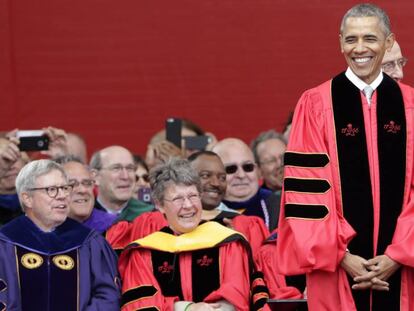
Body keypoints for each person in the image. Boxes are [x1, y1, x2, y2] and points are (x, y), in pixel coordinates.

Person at [276, 4, 414, 310]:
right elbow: (306, 192)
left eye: (370, 38)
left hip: (403, 271)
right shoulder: (314, 104)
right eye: (351, 39)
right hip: (337, 270)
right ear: (340, 42)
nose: (360, 48)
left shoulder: (410, 105)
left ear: (389, 42)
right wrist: (341, 255)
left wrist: (398, 254)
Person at [118, 158, 254, 310]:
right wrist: (186, 308)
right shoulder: (144, 253)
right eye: (178, 198)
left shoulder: (227, 243)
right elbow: (140, 304)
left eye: (193, 196)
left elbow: (237, 296)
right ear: (159, 205)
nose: (188, 206)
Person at [0, 159, 120, 310]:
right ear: (27, 198)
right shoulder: (5, 243)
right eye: (51, 189)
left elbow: (108, 296)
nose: (62, 195)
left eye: (65, 188)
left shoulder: (89, 242)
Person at [212, 138, 279, 230]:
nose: (241, 175)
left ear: (258, 171)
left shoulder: (280, 206)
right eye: (230, 169)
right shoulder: (204, 212)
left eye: (248, 167)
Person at [90, 145, 154, 222]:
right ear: (96, 176)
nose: (125, 176)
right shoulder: (84, 217)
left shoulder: (150, 217)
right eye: (116, 168)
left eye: (129, 168)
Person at [56, 155, 117, 233]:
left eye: (87, 183)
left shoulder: (114, 228)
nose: (83, 190)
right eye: (72, 184)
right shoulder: (42, 232)